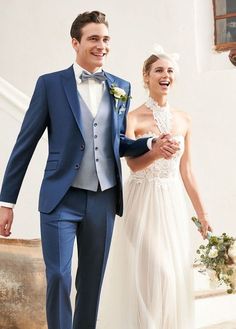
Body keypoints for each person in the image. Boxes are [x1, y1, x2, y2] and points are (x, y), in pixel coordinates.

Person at [0, 13, 179, 329]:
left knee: (92, 281)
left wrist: (150, 141)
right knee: (58, 275)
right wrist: (6, 202)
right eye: (94, 38)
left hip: (103, 198)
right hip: (60, 198)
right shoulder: (50, 84)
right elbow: (24, 144)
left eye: (106, 39)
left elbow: (116, 143)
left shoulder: (120, 87)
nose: (101, 45)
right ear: (75, 43)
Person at [97, 45, 212, 329]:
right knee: (157, 273)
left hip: (171, 202)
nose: (165, 75)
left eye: (170, 70)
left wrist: (203, 215)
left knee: (173, 276)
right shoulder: (133, 117)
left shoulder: (184, 119)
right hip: (142, 200)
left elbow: (187, 170)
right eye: (158, 70)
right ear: (146, 77)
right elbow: (133, 165)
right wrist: (157, 151)